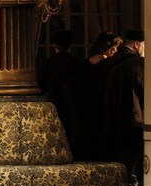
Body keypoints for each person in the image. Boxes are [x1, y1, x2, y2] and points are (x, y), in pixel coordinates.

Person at [104, 29, 145, 186]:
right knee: (134, 153)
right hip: (134, 115)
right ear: (137, 44)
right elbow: (145, 89)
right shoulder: (136, 63)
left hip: (116, 115)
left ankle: (124, 185)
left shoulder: (112, 61)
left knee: (123, 153)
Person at [75, 31, 120, 160]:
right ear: (109, 49)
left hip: (85, 110)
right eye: (115, 48)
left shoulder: (84, 64)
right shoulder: (109, 66)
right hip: (103, 110)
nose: (116, 52)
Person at [37, 29, 81, 158]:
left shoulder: (49, 63)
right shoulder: (75, 64)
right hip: (72, 104)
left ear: (54, 44)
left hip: (53, 102)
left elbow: (42, 84)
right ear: (70, 45)